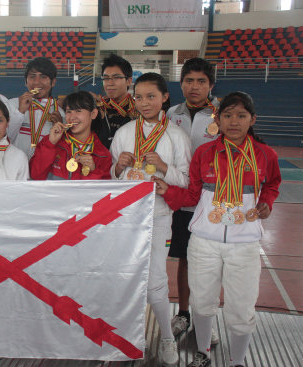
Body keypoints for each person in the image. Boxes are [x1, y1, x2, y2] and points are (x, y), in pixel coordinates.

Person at [153, 92, 282, 367]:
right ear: (218, 119)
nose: (233, 121)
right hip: (204, 242)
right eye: (227, 115)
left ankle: (237, 361)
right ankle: (202, 354)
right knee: (201, 303)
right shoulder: (204, 153)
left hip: (244, 245)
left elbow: (272, 185)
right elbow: (191, 196)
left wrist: (267, 203)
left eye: (241, 115)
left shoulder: (265, 155)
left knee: (241, 309)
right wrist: (168, 191)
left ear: (252, 119)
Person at [110, 73, 191, 366]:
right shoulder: (124, 133)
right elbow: (112, 176)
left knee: (156, 278)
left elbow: (185, 180)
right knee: (125, 276)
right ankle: (129, 336)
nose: (144, 103)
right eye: (139, 97)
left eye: (151, 96)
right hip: (126, 217)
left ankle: (167, 338)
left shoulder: (177, 136)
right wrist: (118, 168)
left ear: (164, 98)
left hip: (158, 214)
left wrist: (164, 168)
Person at [166, 57, 220, 342]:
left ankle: (204, 317)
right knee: (185, 259)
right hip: (182, 201)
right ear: (181, 83)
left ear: (211, 85)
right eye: (189, 80)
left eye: (201, 81)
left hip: (212, 201)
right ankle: (184, 313)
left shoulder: (222, 114)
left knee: (210, 261)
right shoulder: (171, 114)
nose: (194, 86)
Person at [29, 91, 111, 180]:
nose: (72, 117)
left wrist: (93, 171)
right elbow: (35, 176)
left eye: (78, 111)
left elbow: (102, 192)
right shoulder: (50, 142)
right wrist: (50, 145)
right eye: (69, 111)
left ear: (93, 114)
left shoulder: (103, 155)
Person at [9, 57, 65, 159]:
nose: (37, 82)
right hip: (16, 168)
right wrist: (19, 112)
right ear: (25, 81)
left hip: (45, 171)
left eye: (43, 77)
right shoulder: (11, 105)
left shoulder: (61, 114)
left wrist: (61, 130)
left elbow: (64, 149)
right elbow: (4, 137)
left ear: (53, 82)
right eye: (32, 76)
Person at [91, 53, 139, 149]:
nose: (109, 83)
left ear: (129, 81)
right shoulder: (96, 108)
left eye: (116, 77)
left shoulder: (138, 110)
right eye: (106, 78)